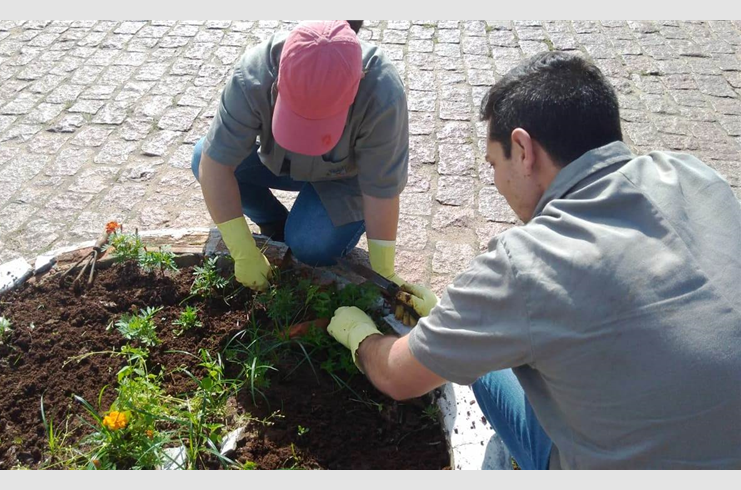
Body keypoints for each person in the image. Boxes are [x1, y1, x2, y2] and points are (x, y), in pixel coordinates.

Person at [326, 50, 741, 469]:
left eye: (493, 162)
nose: (495, 180)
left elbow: (398, 377)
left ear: (523, 149)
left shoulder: (525, 264)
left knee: (482, 369)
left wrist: (360, 336)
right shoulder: (692, 174)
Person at [193, 19, 436, 321]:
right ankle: (274, 224)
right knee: (202, 155)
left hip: (342, 179)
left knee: (311, 245)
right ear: (279, 79)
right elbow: (215, 165)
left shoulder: (382, 94)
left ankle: (304, 228)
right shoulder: (253, 76)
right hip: (278, 163)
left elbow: (381, 190)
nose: (307, 139)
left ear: (354, 89)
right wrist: (242, 250)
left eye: (319, 125)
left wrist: (384, 273)